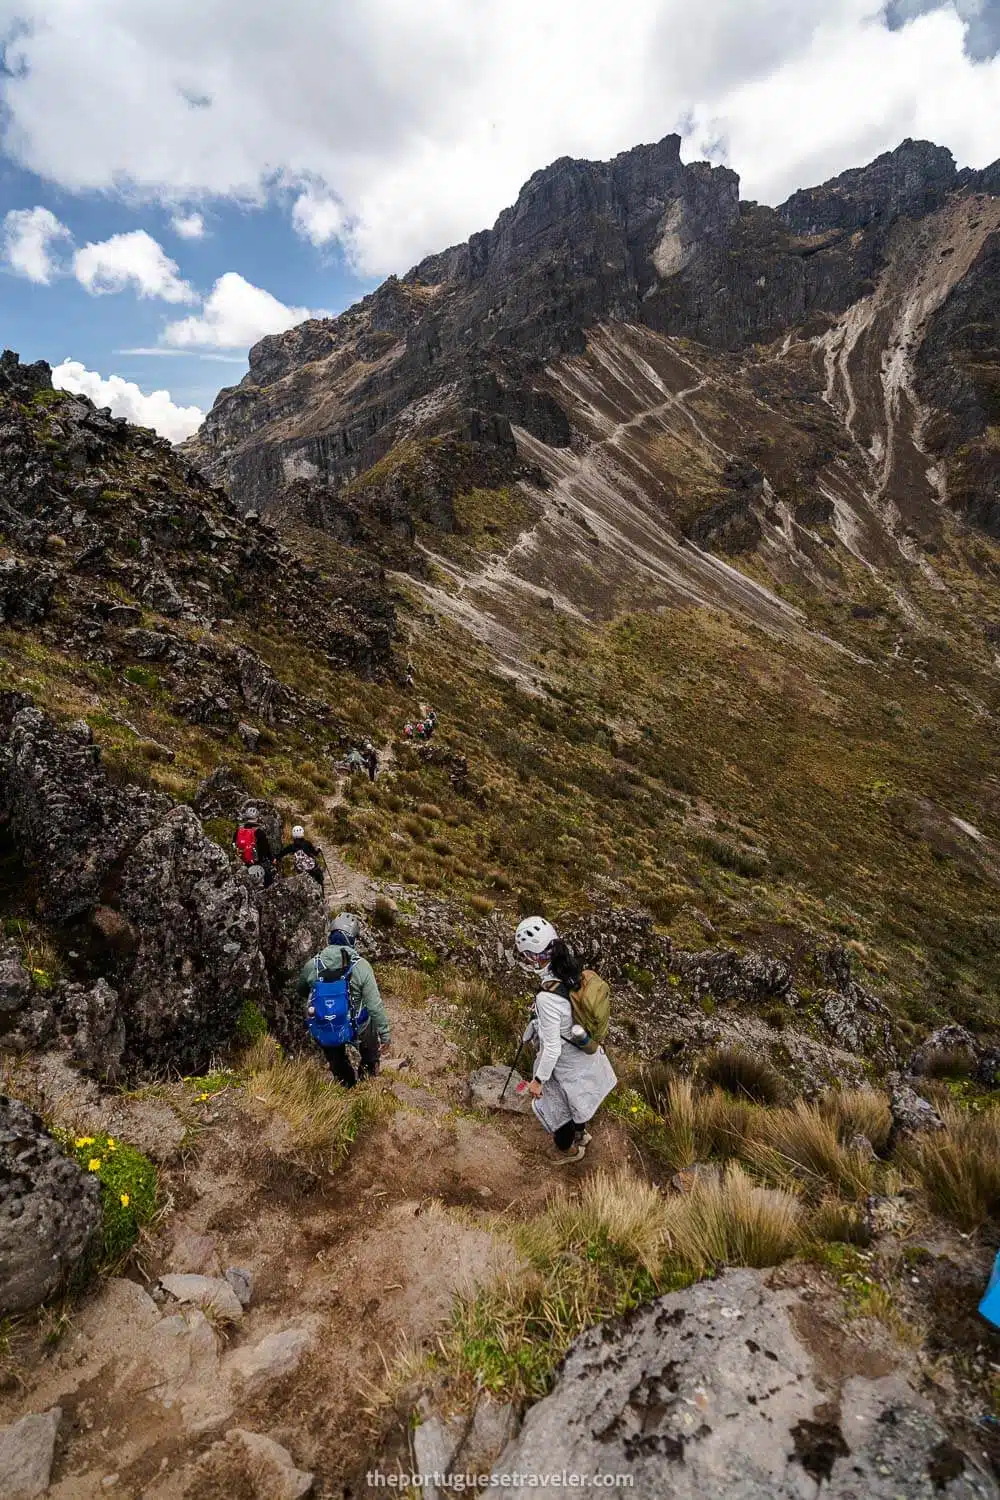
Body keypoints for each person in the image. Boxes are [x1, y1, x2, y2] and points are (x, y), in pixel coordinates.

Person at [515, 916, 616, 1164]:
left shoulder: (547, 998)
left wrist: (538, 1081)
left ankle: (566, 1150)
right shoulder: (574, 972)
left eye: (526, 955)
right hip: (585, 1054)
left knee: (557, 1107)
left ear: (534, 956)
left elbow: (552, 1049)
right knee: (581, 1097)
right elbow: (568, 1015)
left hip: (565, 1063)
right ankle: (581, 1135)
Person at [296, 912, 391, 1087]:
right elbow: (374, 1006)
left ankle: (345, 1080)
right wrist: (385, 1035)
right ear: (353, 940)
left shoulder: (313, 965)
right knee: (368, 1021)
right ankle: (369, 1068)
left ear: (330, 936)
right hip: (355, 1027)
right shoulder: (361, 966)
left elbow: (301, 990)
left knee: (331, 1042)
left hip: (325, 1024)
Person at [234, 806, 274, 887]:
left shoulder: (238, 830)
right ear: (257, 817)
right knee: (269, 881)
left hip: (241, 863)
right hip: (256, 863)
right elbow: (266, 849)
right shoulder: (259, 832)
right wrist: (272, 859)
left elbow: (234, 844)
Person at [278, 823, 325, 888]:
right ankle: (321, 890)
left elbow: (282, 853)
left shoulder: (291, 847)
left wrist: (275, 858)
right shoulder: (307, 843)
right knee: (318, 875)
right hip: (312, 868)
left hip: (300, 870)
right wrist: (319, 849)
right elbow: (315, 853)